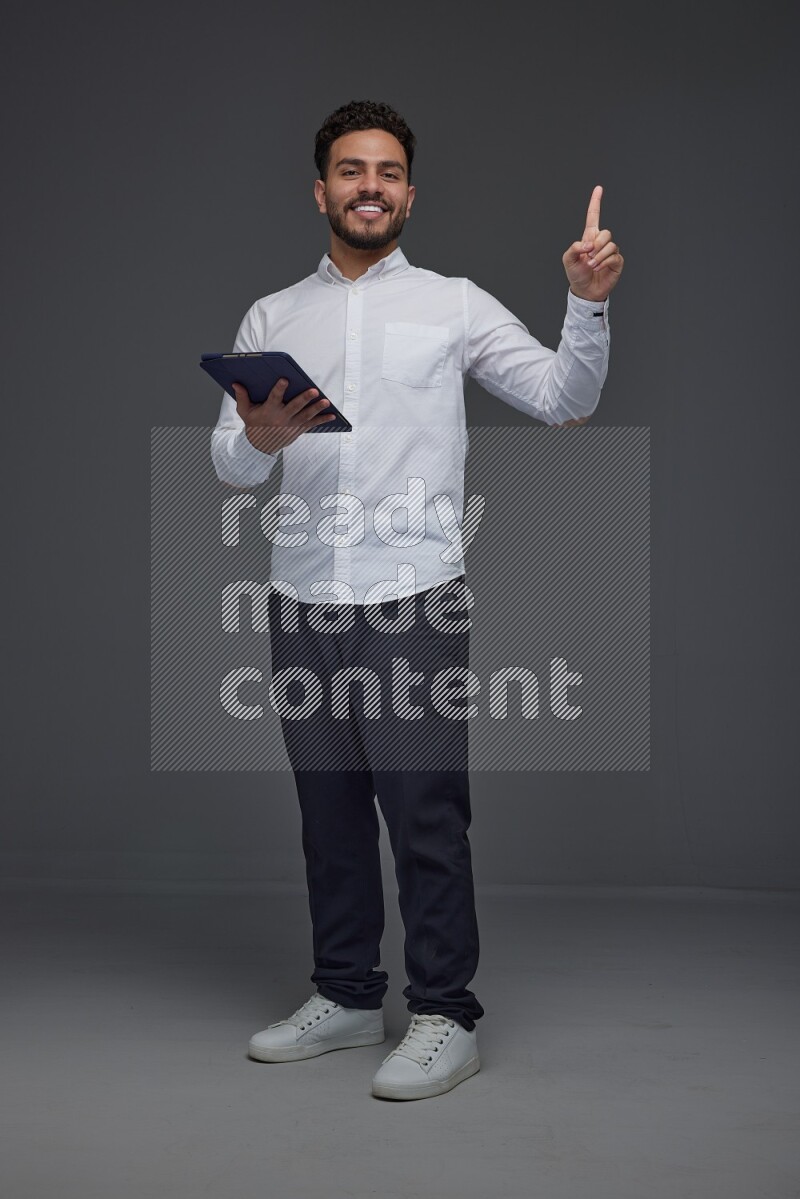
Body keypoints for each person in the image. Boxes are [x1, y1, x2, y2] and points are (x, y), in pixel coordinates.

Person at [210, 99, 624, 1101]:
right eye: (351, 170)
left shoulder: (452, 304)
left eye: (387, 171)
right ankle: (347, 994)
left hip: (410, 600)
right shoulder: (272, 315)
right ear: (321, 191)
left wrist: (586, 303)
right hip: (301, 599)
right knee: (329, 813)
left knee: (422, 811)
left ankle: (444, 1012)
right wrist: (256, 442)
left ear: (408, 191)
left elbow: (565, 396)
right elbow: (228, 462)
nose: (368, 186)